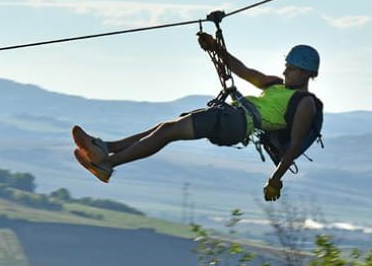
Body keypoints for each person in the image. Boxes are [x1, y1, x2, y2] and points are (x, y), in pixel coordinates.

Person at [71, 32, 322, 202]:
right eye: (286, 65)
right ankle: (105, 149)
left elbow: (295, 146)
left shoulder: (305, 104)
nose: (285, 70)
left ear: (306, 73)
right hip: (230, 116)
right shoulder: (276, 84)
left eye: (291, 67)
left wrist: (275, 180)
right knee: (166, 127)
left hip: (236, 123)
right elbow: (244, 71)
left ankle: (107, 164)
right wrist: (215, 47)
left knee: (168, 132)